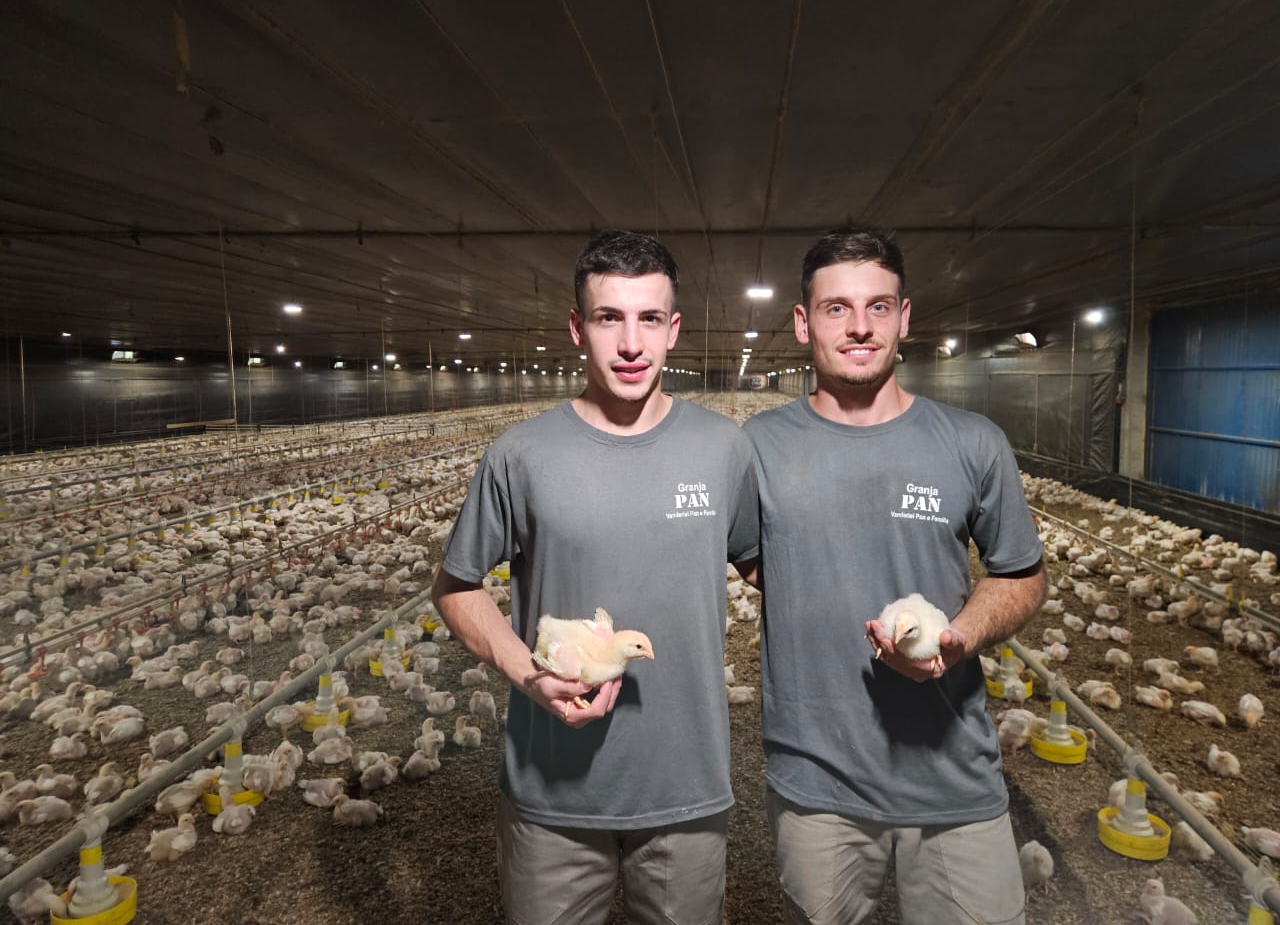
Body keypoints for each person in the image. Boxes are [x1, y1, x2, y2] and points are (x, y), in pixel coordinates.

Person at [432, 229, 759, 925]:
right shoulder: (520, 455)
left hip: (686, 791)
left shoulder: (724, 448)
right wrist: (527, 673)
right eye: (611, 318)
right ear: (579, 328)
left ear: (674, 329)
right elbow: (456, 586)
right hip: (552, 797)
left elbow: (770, 567)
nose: (631, 344)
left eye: (649, 319)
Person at [740, 225, 1046, 925]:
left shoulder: (972, 442)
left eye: (879, 306)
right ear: (802, 322)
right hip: (816, 783)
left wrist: (959, 638)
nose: (858, 327)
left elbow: (1021, 576)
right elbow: (741, 560)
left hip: (952, 776)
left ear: (904, 318)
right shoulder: (755, 450)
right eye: (836, 308)